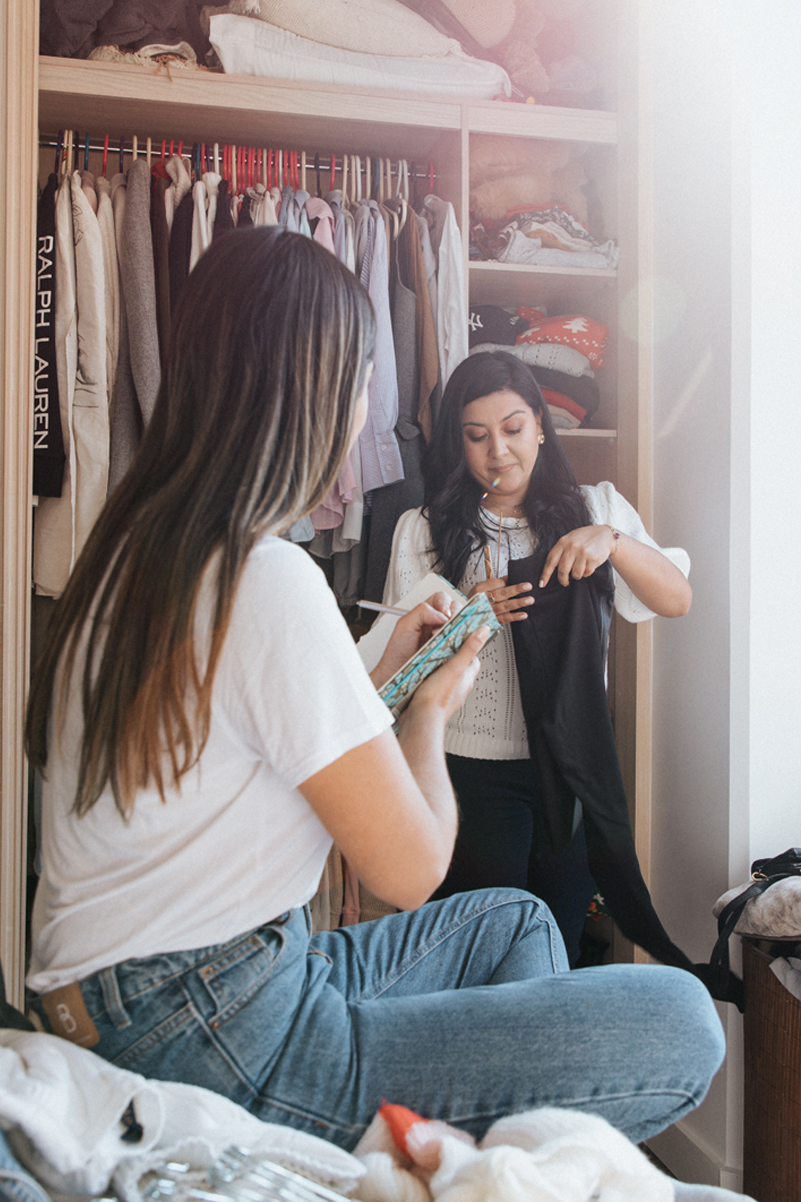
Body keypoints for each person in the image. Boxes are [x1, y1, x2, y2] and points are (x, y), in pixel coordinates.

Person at [25, 228, 722, 1152]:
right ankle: (501, 1159)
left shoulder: (126, 553)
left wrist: (391, 667)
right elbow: (411, 868)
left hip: (126, 995)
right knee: (681, 1020)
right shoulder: (266, 577)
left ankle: (487, 1155)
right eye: (359, 384)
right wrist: (428, 708)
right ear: (309, 395)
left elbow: (257, 725)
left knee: (512, 920)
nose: (362, 414)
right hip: (209, 1024)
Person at [361, 350, 692, 965]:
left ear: (541, 423)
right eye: (477, 436)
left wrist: (613, 543)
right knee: (479, 958)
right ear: (457, 443)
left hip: (568, 770)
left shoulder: (594, 509)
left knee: (555, 952)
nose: (499, 452)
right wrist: (464, 610)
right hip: (467, 774)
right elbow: (391, 681)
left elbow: (675, 599)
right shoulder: (423, 529)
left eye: (513, 429)